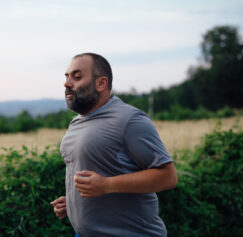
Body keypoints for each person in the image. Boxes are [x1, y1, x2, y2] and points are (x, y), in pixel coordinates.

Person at [50, 53, 178, 237]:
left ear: (101, 83)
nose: (67, 83)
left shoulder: (130, 119)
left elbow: (168, 177)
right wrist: (73, 202)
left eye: (77, 77)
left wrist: (107, 185)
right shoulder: (76, 123)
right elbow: (98, 173)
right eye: (67, 76)